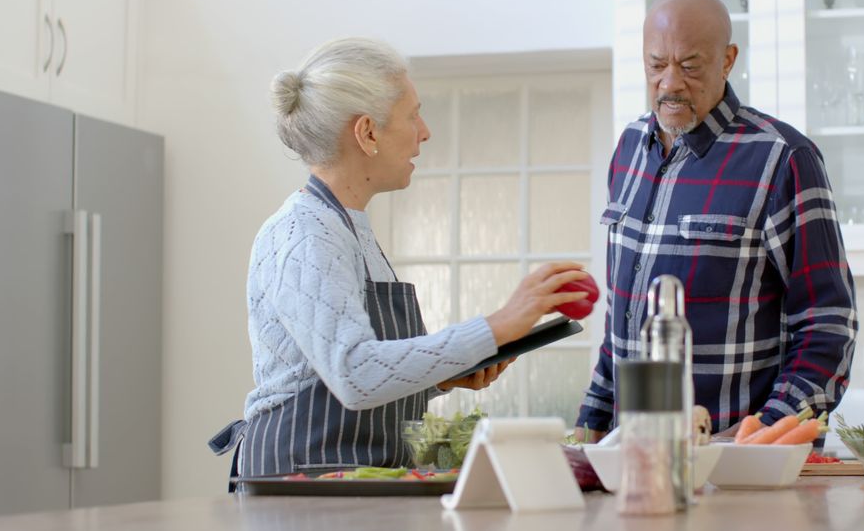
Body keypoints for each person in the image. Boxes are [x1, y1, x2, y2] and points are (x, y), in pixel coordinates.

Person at [208, 37, 590, 477]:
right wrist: (500, 323)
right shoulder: (305, 233)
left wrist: (443, 376)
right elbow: (353, 374)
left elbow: (352, 377)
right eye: (413, 115)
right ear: (367, 132)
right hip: (300, 485)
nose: (424, 132)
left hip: (351, 478)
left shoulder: (350, 229)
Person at [574, 0, 858, 442]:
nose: (669, 83)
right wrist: (587, 430)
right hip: (634, 460)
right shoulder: (629, 149)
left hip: (739, 464)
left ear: (727, 60)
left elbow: (827, 323)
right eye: (656, 65)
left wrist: (762, 434)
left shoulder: (783, 158)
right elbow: (621, 325)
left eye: (689, 66)